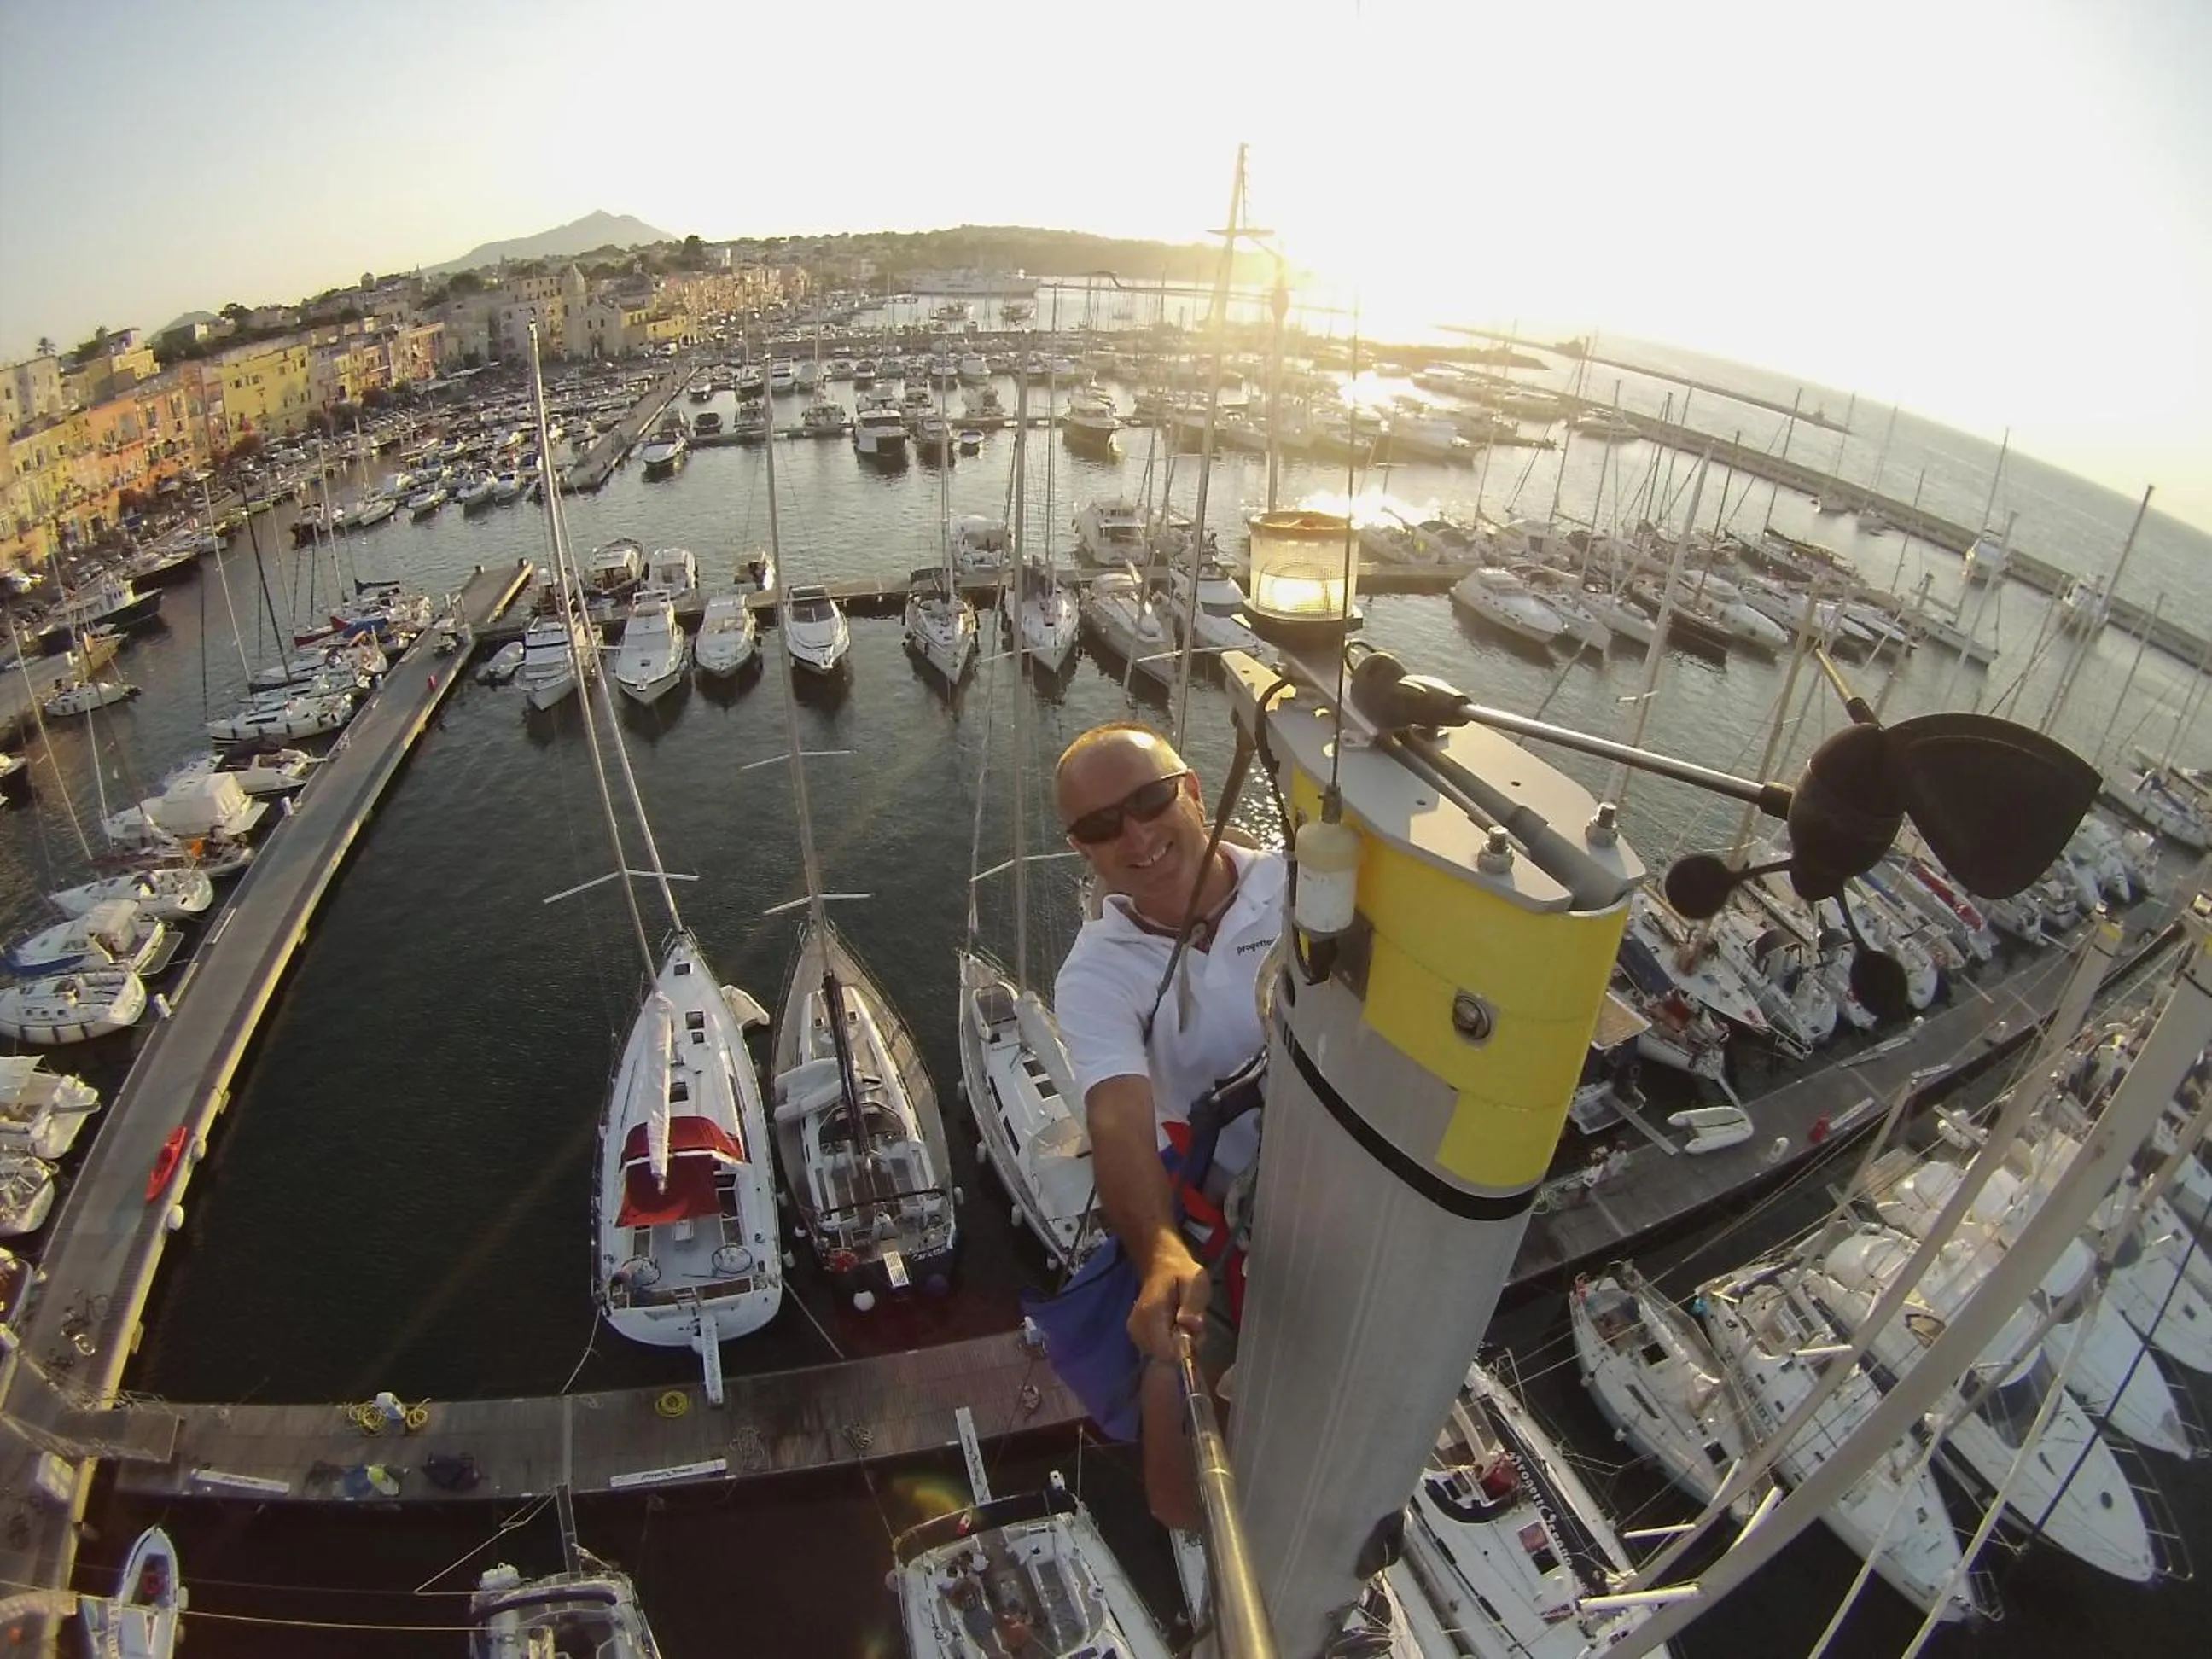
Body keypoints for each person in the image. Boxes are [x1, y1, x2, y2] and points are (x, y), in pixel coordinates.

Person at [1051, 721, 1285, 1528]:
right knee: (1179, 1473)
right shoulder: (1098, 972)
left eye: (1150, 801)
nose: (1137, 837)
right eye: (1101, 827)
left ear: (1192, 790)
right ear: (1083, 849)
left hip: (1356, 1186)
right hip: (1234, 1217)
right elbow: (1119, 1116)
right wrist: (1160, 1253)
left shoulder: (1296, 884)